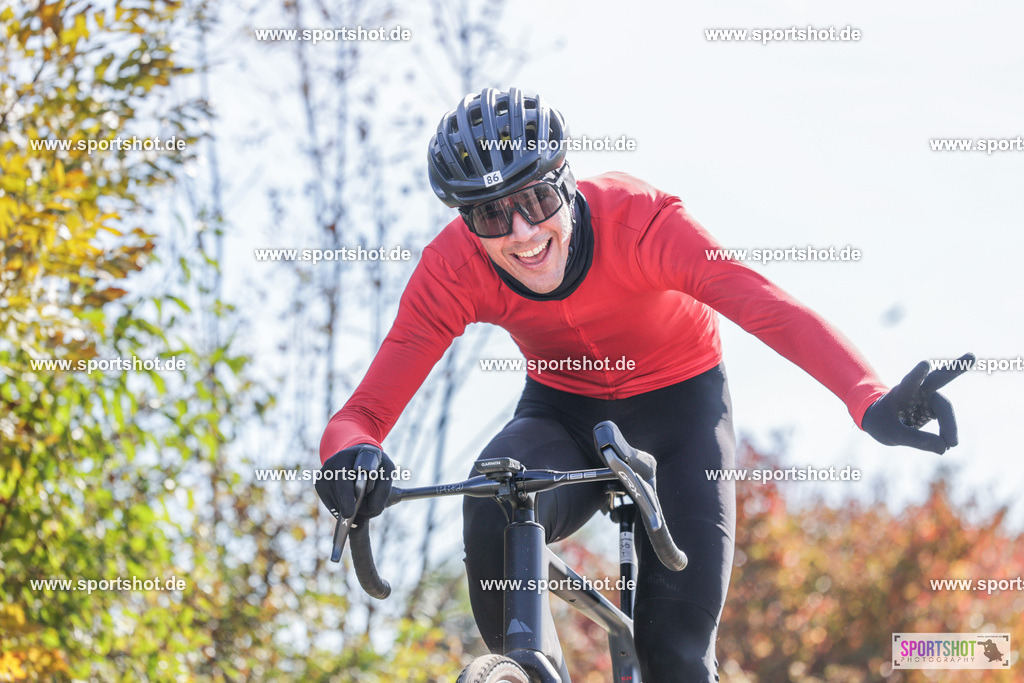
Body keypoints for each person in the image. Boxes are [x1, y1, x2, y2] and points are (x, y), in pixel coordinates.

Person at [315, 87, 972, 681]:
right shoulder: (452, 269)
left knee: (676, 659)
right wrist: (347, 459)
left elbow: (764, 304)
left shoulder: (643, 222)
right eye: (490, 217)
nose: (522, 233)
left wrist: (870, 398)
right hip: (563, 412)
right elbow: (363, 412)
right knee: (495, 489)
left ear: (566, 182)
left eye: (537, 199)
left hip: (680, 413)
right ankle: (526, 667)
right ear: (465, 223)